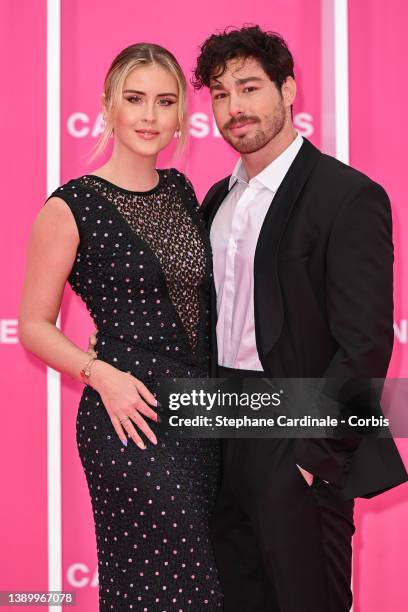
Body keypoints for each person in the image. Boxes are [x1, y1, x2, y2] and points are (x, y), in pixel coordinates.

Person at [190, 25, 408, 612]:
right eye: (219, 93)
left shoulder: (347, 195)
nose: (234, 108)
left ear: (288, 90)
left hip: (298, 427)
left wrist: (314, 454)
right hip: (220, 426)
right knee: (236, 597)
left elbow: (363, 345)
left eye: (250, 88)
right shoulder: (215, 200)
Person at [18, 43, 223, 610]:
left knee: (179, 585)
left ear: (182, 112)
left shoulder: (183, 192)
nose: (150, 117)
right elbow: (32, 324)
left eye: (164, 101)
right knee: (177, 586)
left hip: (201, 418)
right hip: (125, 419)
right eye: (135, 100)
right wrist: (98, 372)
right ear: (108, 105)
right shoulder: (70, 205)